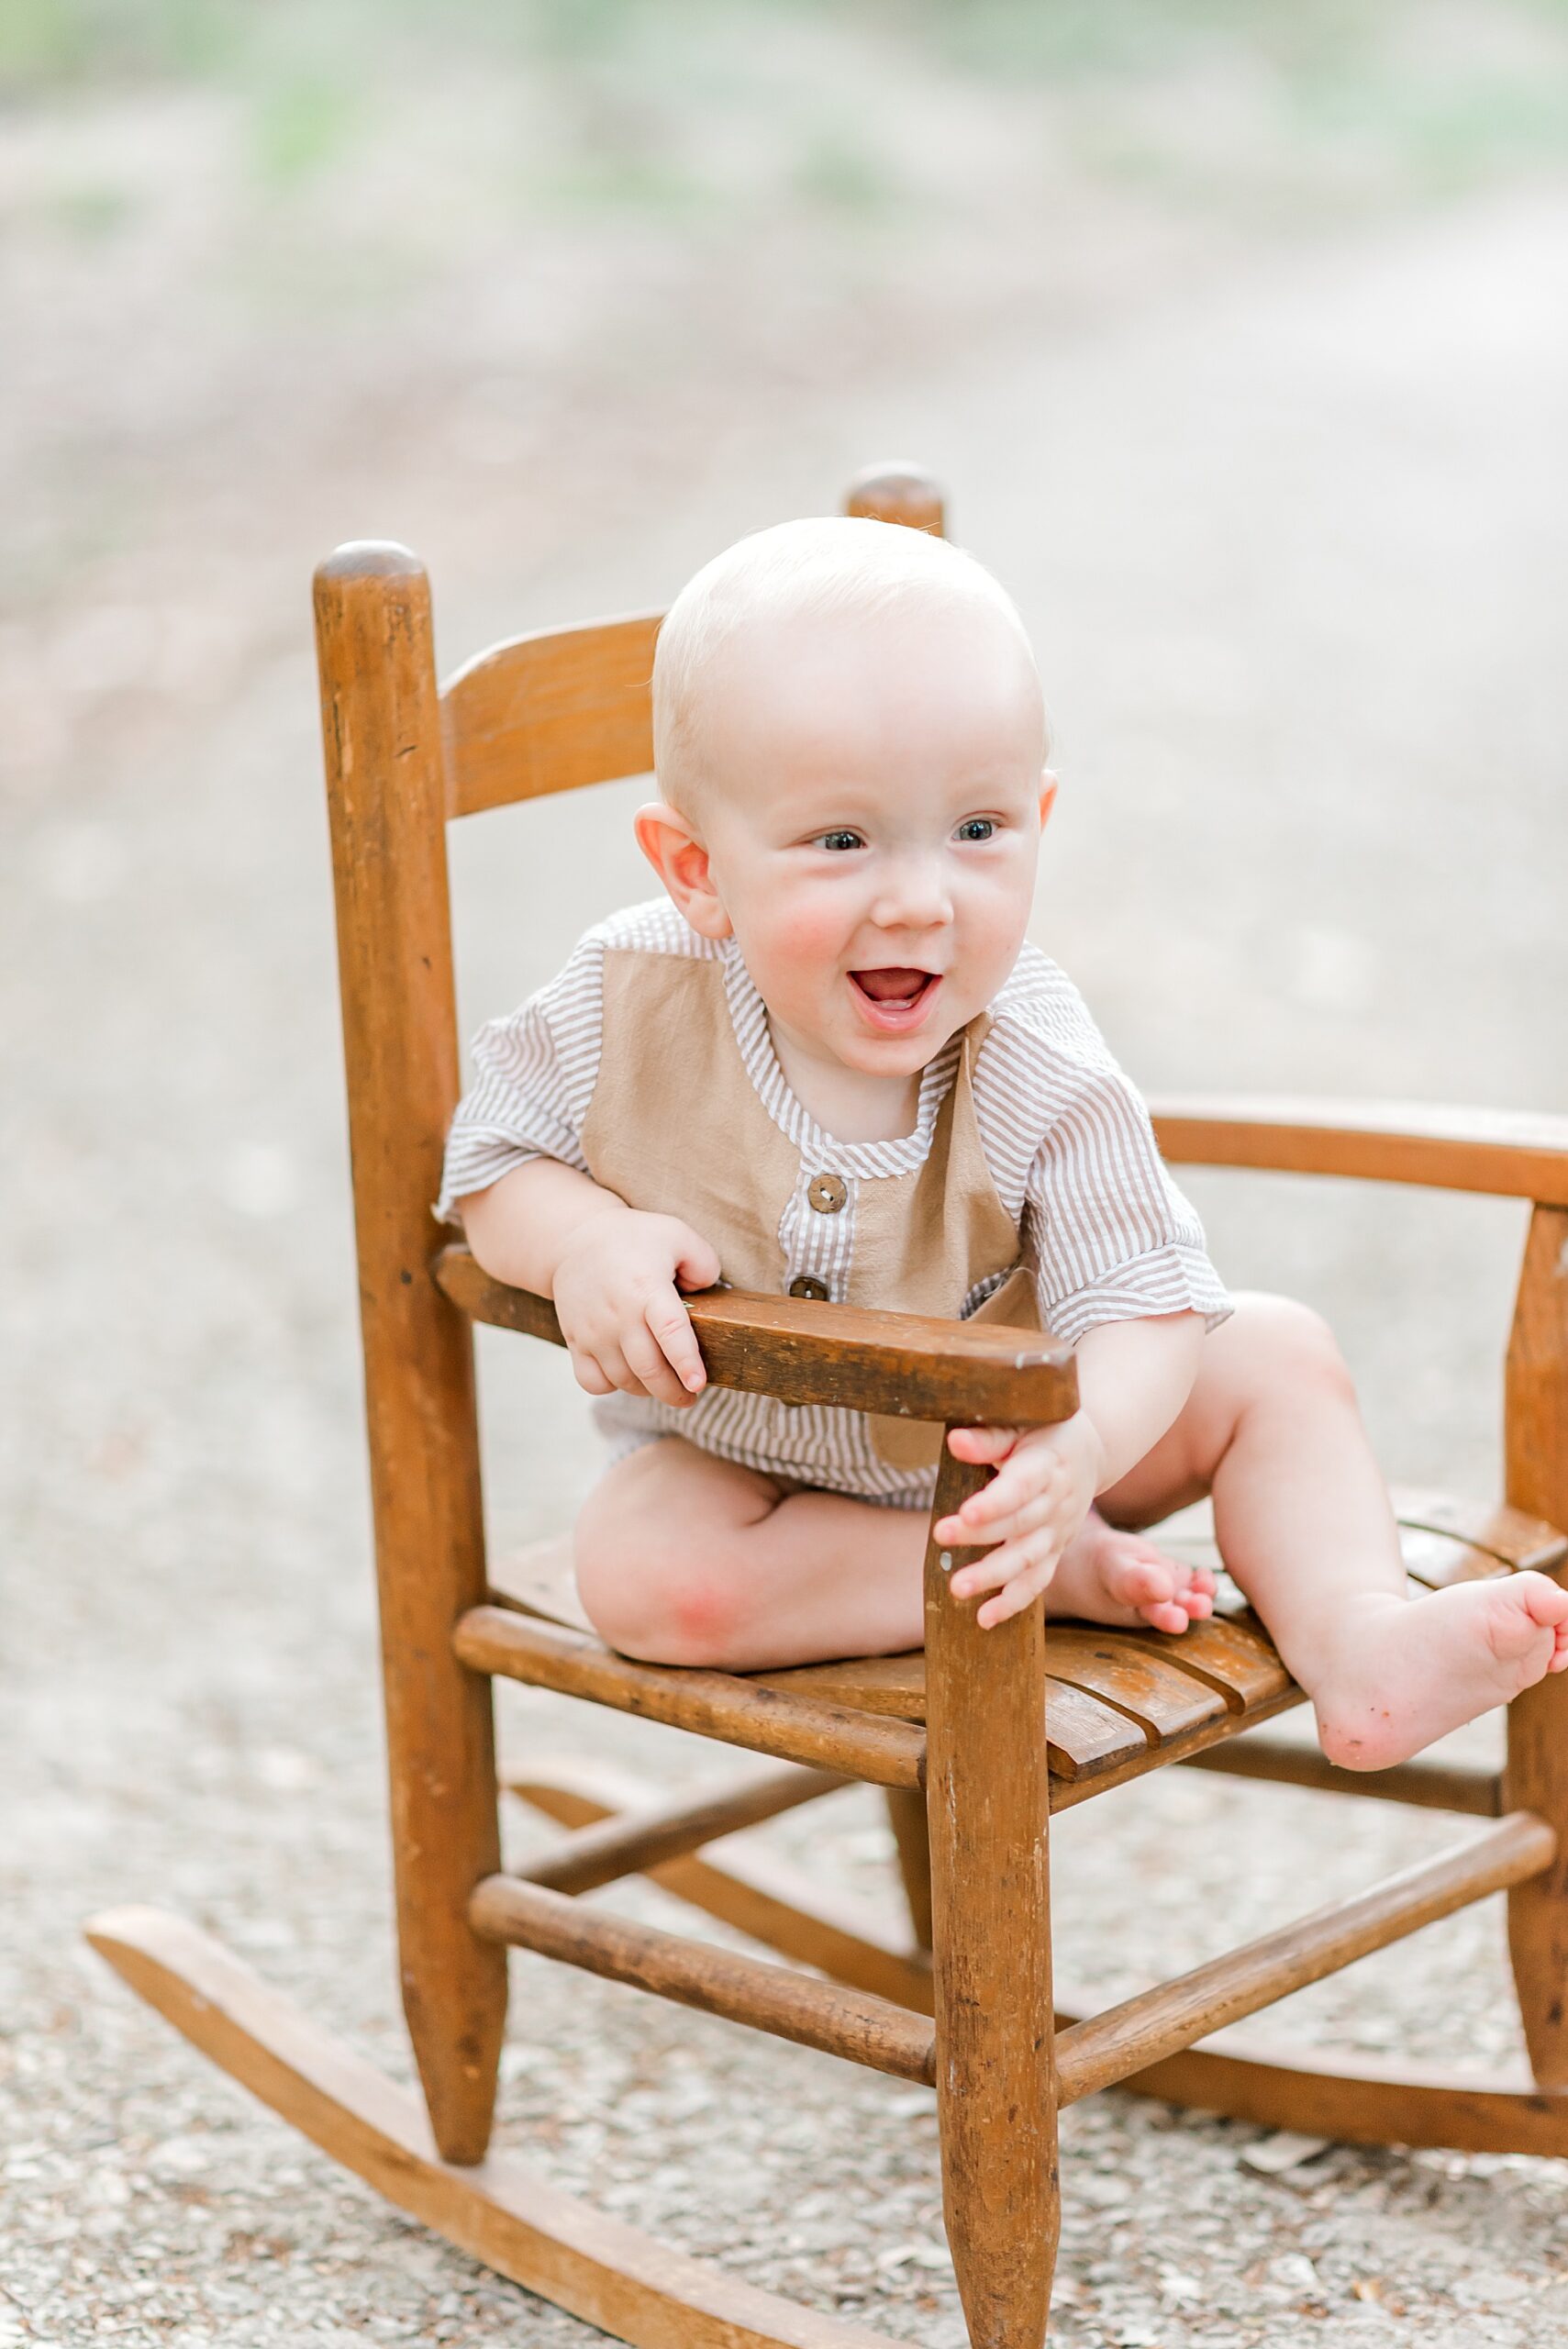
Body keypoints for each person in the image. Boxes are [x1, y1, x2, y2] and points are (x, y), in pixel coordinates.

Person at [439, 517, 1568, 1771]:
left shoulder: (1034, 1052)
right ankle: (1052, 1575)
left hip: (1026, 1449)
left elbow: (1142, 1306)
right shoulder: (623, 995)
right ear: (695, 871)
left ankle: (1359, 1641)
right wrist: (584, 1239)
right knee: (645, 1575)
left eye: (976, 831)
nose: (920, 897)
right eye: (840, 840)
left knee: (1276, 1358)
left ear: (1037, 817)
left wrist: (1078, 1453)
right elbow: (489, 1164)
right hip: (742, 1471)